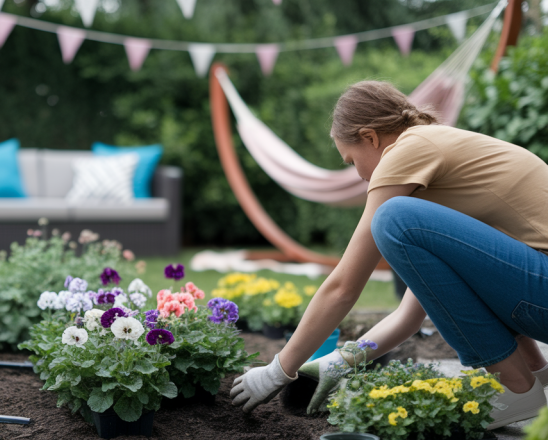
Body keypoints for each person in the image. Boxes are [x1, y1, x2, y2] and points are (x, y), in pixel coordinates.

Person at [229, 81, 548, 430]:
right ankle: (534, 373)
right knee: (400, 219)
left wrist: (278, 369)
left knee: (392, 217)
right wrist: (340, 360)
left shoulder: (410, 150)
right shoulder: (443, 165)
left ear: (370, 137)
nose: (361, 177)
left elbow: (343, 287)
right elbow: (412, 313)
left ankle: (518, 388)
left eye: (352, 161)